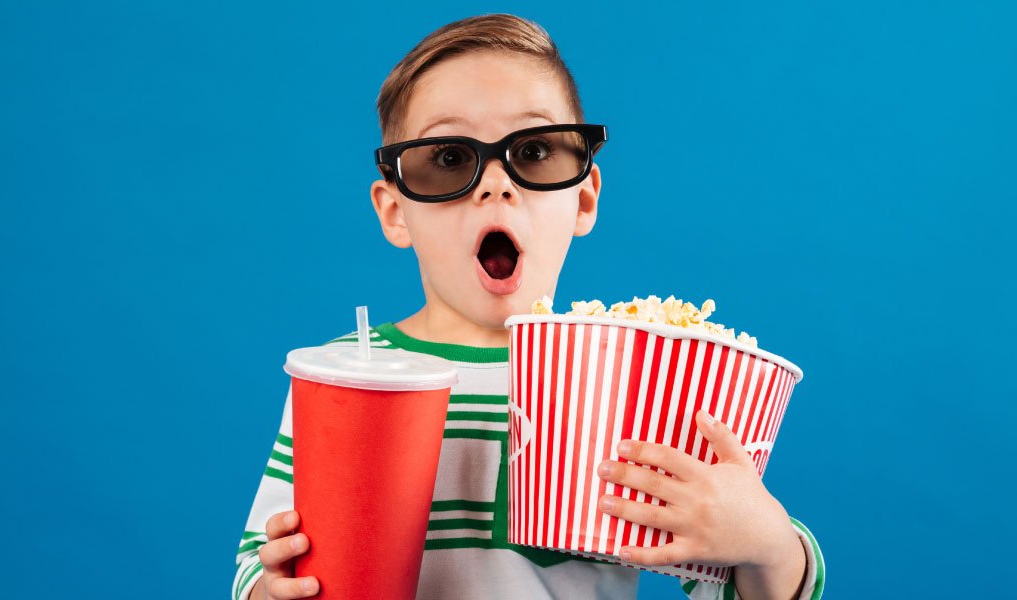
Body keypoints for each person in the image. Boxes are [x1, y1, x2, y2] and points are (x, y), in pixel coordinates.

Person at [233, 13, 824, 600]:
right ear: (395, 211)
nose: (497, 184)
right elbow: (262, 563)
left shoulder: (634, 381)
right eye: (448, 159)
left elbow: (729, 586)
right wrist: (272, 586)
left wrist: (768, 543)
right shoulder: (346, 374)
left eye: (535, 150)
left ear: (584, 198)